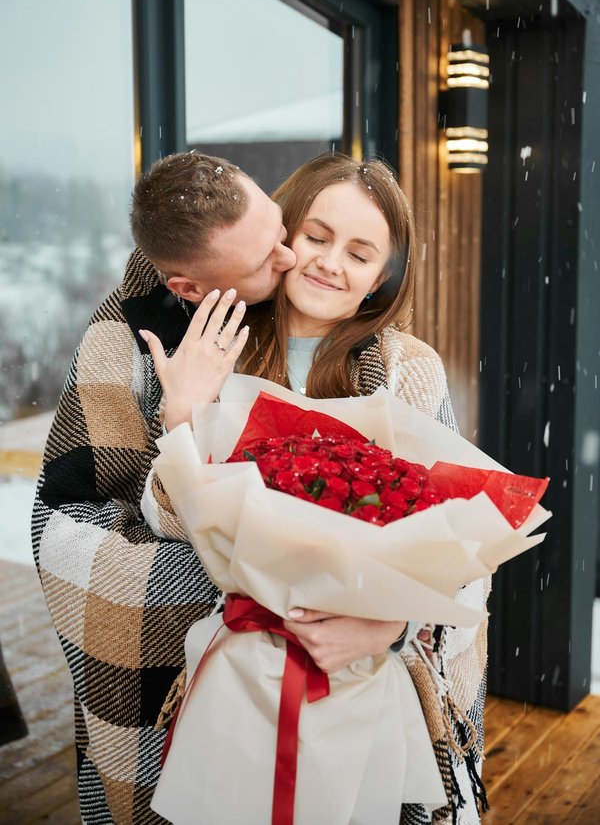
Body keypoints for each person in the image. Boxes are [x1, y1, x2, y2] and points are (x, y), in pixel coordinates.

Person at [141, 154, 490, 824]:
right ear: (282, 237)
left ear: (380, 277)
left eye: (360, 253)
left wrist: (390, 624)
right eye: (317, 236)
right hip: (239, 669)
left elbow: (462, 540)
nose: (331, 263)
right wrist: (179, 416)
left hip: (360, 683)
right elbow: (165, 515)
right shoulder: (220, 346)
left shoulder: (405, 368)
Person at [31, 152, 297, 824]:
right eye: (265, 260)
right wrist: (183, 418)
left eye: (279, 227)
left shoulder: (327, 303)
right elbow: (69, 517)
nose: (292, 258)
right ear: (192, 289)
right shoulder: (119, 341)